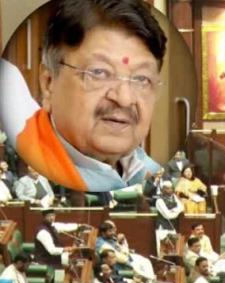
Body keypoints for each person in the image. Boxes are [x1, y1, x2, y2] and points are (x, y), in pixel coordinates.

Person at [5, 0, 164, 192]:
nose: (124, 98)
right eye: (99, 73)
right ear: (48, 83)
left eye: (141, 79)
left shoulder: (154, 173)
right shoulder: (26, 162)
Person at [155, 181, 183, 254]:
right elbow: (168, 216)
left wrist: (173, 211)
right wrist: (176, 211)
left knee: (174, 250)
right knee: (162, 250)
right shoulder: (159, 200)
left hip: (172, 227)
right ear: (163, 189)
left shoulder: (175, 197)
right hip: (162, 228)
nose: (169, 190)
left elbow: (181, 208)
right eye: (167, 188)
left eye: (170, 188)